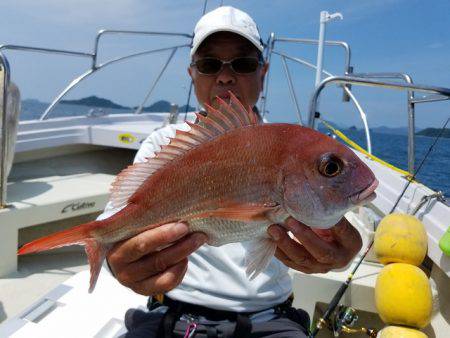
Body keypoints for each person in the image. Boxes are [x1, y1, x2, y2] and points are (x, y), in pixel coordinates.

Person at [98, 6, 362, 338]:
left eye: (243, 63)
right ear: (192, 74)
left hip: (271, 321)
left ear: (262, 73)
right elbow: (114, 230)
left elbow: (320, 231)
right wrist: (117, 262)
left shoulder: (297, 157)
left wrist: (339, 254)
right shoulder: (162, 146)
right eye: (209, 65)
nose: (225, 76)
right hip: (171, 313)